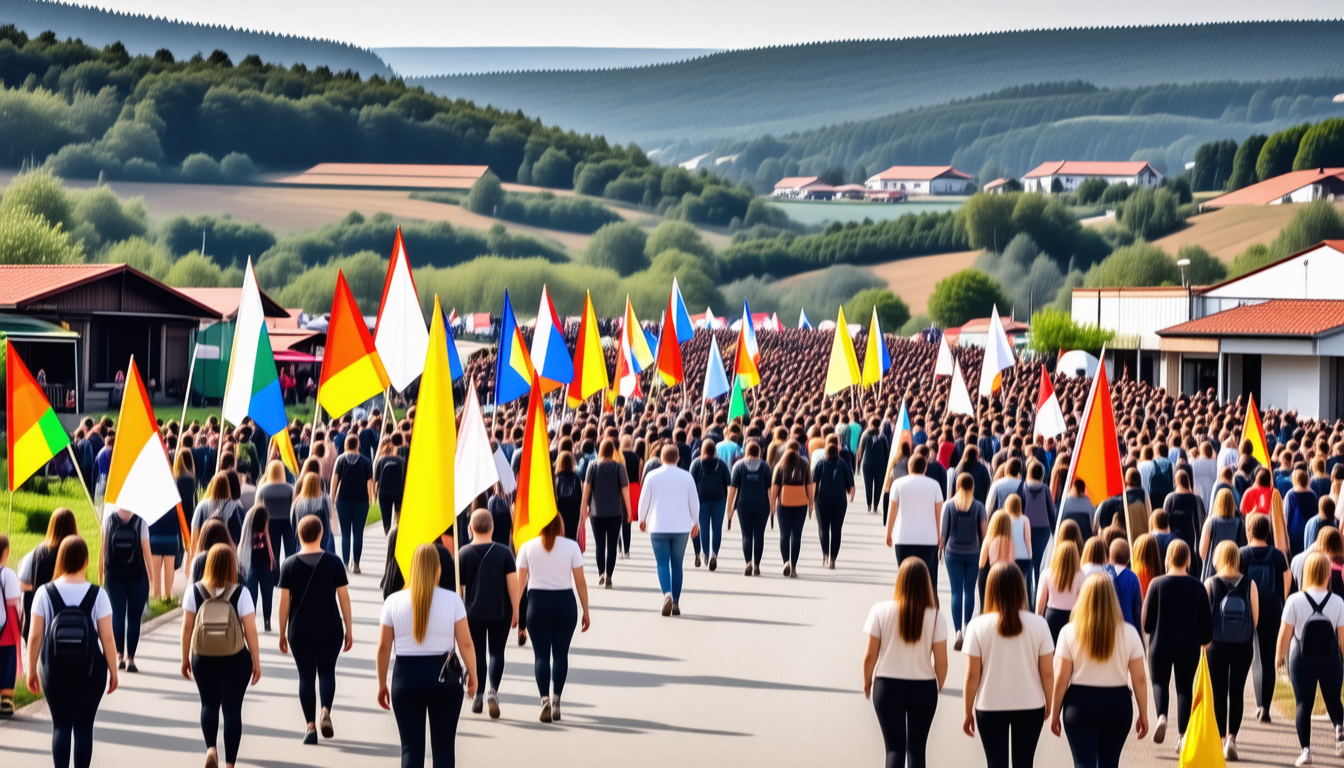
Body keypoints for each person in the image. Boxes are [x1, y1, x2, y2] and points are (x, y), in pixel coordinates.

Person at [376, 543, 478, 767]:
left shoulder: (393, 601)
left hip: (406, 676)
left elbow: (384, 647)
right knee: (443, 748)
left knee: (410, 748)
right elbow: (466, 643)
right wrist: (473, 673)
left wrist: (382, 683)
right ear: (438, 569)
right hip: (444, 676)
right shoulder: (453, 600)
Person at [25, 536, 119, 768]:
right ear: (86, 561)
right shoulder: (99, 595)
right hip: (91, 669)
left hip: (53, 669)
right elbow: (107, 637)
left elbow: (35, 636)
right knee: (84, 727)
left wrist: (31, 671)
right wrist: (114, 671)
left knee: (61, 725)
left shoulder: (44, 593)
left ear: (61, 560)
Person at [1050, 573, 1149, 768]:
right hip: (1117, 704)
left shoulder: (1069, 632)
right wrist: (1143, 714)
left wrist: (1054, 712)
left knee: (1083, 763)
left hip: (1080, 704)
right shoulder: (1129, 632)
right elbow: (1140, 679)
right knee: (1109, 763)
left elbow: (1061, 677)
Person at [963, 562, 1055, 768]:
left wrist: (967, 711)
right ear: (1021, 589)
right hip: (1031, 704)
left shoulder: (977, 626)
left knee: (996, 763)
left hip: (990, 705)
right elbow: (1048, 673)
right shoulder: (1039, 625)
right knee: (1025, 763)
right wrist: (1050, 702)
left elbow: (971, 676)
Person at [181, 543, 262, 768]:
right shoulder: (241, 593)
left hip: (203, 657)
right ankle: (230, 765)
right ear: (232, 566)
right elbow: (250, 631)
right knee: (232, 710)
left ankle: (211, 749)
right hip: (235, 657)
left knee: (208, 704)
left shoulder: (194, 591)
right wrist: (256, 661)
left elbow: (187, 628)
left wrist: (185, 658)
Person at [863, 558, 949, 768]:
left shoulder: (880, 611)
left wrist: (867, 681)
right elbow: (941, 662)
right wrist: (938, 684)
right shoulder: (936, 616)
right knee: (917, 750)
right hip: (923, 687)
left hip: (887, 687)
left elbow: (870, 656)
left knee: (894, 748)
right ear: (926, 584)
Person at [277, 516, 353, 744]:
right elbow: (344, 598)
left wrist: (282, 632)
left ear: (299, 535)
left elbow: (283, 603)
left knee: (306, 676)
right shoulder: (334, 562)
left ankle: (310, 726)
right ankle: (326, 711)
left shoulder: (289, 564)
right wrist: (349, 628)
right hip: (330, 626)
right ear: (321, 535)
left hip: (300, 628)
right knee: (327, 672)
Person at [517, 515, 590, 722]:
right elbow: (580, 582)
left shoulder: (527, 547)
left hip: (537, 603)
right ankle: (557, 699)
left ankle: (544, 700)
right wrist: (586, 610)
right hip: (564, 602)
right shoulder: (571, 547)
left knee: (541, 656)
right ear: (560, 524)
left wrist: (515, 612)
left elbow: (519, 585)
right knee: (560, 655)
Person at [1275, 551, 1344, 766]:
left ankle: (1305, 751)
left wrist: (1278, 658)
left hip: (1301, 659)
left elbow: (1284, 634)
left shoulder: (1295, 600)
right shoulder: (1338, 602)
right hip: (1330, 659)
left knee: (1303, 704)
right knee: (1334, 699)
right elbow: (1342, 638)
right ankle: (1340, 732)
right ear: (1326, 574)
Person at [1141, 540, 1212, 748]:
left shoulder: (1157, 584)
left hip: (1160, 643)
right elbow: (1206, 624)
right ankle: (1182, 736)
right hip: (1188, 645)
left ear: (1168, 558)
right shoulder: (1197, 587)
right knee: (1184, 689)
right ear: (1188, 559)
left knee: (1159, 683)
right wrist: (1204, 641)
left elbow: (1147, 624)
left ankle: (1162, 715)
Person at [459, 510, 520, 719]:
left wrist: (458, 615)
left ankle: (478, 694)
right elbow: (514, 584)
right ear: (492, 527)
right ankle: (493, 690)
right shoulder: (504, 552)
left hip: (472, 612)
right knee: (496, 652)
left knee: (477, 654)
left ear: (470, 528)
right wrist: (516, 610)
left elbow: (458, 590)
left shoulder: (463, 553)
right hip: (500, 611)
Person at [1205, 540, 1258, 758]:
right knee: (1236, 692)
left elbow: (1205, 617)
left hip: (1216, 645)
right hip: (1242, 645)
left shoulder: (1210, 583)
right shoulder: (1249, 583)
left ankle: (1220, 739)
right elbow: (1255, 618)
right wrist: (1244, 635)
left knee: (1219, 692)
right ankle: (1232, 739)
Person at [1240, 513, 1291, 724]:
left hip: (1250, 610)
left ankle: (1260, 704)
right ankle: (1265, 707)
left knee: (1256, 659)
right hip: (1272, 609)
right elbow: (1287, 580)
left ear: (1250, 531)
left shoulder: (1242, 554)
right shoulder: (1278, 555)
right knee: (1269, 660)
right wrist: (1282, 599)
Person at [639, 444, 700, 612]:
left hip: (658, 526)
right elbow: (694, 502)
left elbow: (644, 500)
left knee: (662, 563)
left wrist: (642, 519)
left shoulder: (652, 476)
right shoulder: (687, 477)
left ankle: (666, 593)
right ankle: (676, 601)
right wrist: (695, 521)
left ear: (661, 458)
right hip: (681, 527)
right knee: (677, 564)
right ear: (678, 458)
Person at [99, 503, 152, 674]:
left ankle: (119, 656)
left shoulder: (108, 520)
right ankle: (131, 659)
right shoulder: (140, 522)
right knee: (134, 619)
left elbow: (103, 549)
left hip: (114, 576)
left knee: (118, 615)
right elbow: (147, 552)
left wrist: (100, 571)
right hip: (137, 576)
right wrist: (152, 578)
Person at [942, 472, 987, 648]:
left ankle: (957, 631)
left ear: (957, 486)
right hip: (973, 552)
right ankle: (968, 627)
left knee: (956, 592)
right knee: (969, 591)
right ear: (972, 487)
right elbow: (984, 532)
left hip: (953, 552)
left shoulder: (949, 505)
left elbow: (943, 534)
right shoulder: (978, 506)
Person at [887, 455, 945, 592]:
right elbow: (939, 513)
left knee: (905, 576)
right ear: (925, 468)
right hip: (928, 539)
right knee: (925, 579)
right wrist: (939, 535)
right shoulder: (934, 485)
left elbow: (892, 510)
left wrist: (888, 532)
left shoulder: (898, 484)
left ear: (909, 467)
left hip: (903, 537)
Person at [19, 508, 78, 640]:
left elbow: (23, 578)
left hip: (41, 615)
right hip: (70, 616)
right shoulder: (77, 552)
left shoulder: (38, 553)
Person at [583, 438, 631, 585]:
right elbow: (625, 491)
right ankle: (609, 574)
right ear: (613, 451)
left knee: (599, 545)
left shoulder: (592, 466)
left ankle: (601, 573)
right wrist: (629, 511)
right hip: (615, 512)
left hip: (596, 513)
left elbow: (587, 489)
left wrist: (584, 507)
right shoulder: (619, 468)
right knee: (612, 545)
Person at [152, 449, 194, 599]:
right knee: (169, 566)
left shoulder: (153, 491)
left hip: (154, 532)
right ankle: (167, 596)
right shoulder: (176, 488)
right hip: (171, 532)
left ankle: (156, 594)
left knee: (156, 566)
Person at [727, 439, 773, 575]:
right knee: (759, 535)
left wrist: (729, 508)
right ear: (759, 452)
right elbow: (770, 489)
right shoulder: (765, 467)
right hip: (762, 504)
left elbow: (733, 489)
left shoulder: (739, 466)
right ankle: (757, 564)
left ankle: (748, 562)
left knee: (746, 535)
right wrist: (772, 505)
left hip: (743, 504)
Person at [332, 435, 374, 572]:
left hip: (343, 500)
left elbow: (335, 479)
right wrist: (371, 497)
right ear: (358, 445)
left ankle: (344, 564)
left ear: (346, 444)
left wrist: (332, 497)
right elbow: (369, 482)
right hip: (361, 501)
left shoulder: (341, 460)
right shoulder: (366, 461)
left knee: (345, 534)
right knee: (358, 533)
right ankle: (356, 564)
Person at [813, 435, 856, 568]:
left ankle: (825, 554)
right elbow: (851, 485)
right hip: (839, 500)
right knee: (837, 529)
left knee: (823, 528)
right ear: (837, 451)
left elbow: (814, 483)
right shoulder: (842, 463)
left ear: (826, 450)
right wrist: (851, 495)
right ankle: (833, 559)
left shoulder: (820, 463)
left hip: (822, 500)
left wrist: (812, 499)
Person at [689, 438, 732, 570]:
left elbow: (690, 483)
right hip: (719, 500)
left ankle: (705, 554)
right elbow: (728, 483)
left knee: (704, 528)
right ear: (714, 450)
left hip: (701, 500)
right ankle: (714, 554)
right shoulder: (721, 464)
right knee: (717, 529)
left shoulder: (696, 463)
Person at [771, 441, 812, 577]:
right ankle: (793, 565)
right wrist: (811, 503)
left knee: (784, 534)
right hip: (801, 504)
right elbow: (809, 485)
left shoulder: (780, 465)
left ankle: (785, 562)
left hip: (784, 503)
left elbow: (775, 486)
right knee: (796, 535)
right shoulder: (804, 464)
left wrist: (772, 503)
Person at [1037, 540, 1084, 644]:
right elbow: (1083, 601)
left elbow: (1040, 603)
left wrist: (1038, 622)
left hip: (1052, 617)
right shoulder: (1081, 575)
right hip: (1072, 618)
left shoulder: (1047, 573)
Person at [239, 505, 277, 632]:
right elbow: (267, 538)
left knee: (251, 596)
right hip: (265, 563)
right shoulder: (263, 516)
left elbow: (244, 543)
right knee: (267, 595)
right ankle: (267, 622)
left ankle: (252, 622)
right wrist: (272, 559)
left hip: (251, 564)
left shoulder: (249, 523)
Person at [1200, 488, 1248, 580]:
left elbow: (1203, 552)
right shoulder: (1240, 524)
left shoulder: (1210, 523)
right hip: (1235, 573)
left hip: (1213, 573)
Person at [257, 460, 296, 560]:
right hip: (288, 522)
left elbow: (257, 506)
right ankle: (289, 573)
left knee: (274, 553)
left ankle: (275, 574)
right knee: (290, 552)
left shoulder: (263, 489)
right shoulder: (290, 488)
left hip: (270, 523)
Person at [192, 473, 244, 545]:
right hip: (226, 550)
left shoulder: (202, 506)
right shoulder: (234, 507)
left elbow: (195, 529)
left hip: (205, 548)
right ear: (228, 488)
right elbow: (239, 535)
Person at [292, 473, 336, 555]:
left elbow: (293, 525)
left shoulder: (297, 503)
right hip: (319, 542)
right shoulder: (322, 502)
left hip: (302, 542)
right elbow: (326, 526)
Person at [374, 437, 407, 536]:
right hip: (399, 491)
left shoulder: (380, 460)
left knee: (386, 518)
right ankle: (398, 536)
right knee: (399, 517)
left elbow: (376, 480)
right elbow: (405, 478)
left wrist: (374, 494)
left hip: (384, 492)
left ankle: (388, 536)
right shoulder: (401, 460)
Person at [0, 535, 18, 717]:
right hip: (4, 628)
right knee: (6, 662)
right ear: (5, 552)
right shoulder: (7, 574)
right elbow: (13, 602)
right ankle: (5, 700)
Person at [858, 417, 890, 515]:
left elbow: (860, 450)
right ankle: (875, 505)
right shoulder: (882, 436)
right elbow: (887, 452)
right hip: (880, 463)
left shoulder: (865, 435)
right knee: (878, 485)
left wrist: (858, 464)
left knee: (868, 484)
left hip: (867, 463)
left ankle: (869, 504)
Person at [553, 452, 583, 543]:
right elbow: (579, 496)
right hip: (573, 511)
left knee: (559, 536)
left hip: (559, 510)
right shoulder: (576, 477)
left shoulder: (556, 478)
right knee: (572, 536)